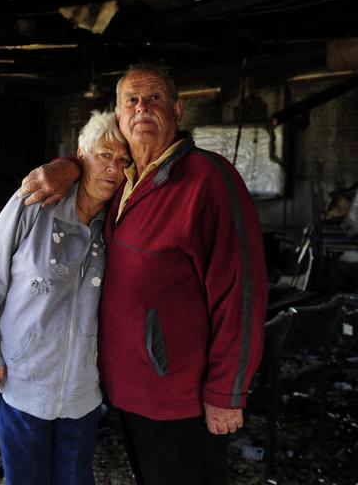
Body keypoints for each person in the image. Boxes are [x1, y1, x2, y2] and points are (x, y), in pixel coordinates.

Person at [19, 64, 268, 485]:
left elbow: (241, 293)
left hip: (179, 395)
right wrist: (67, 165)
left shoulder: (209, 178)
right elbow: (93, 159)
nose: (142, 108)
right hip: (125, 388)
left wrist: (227, 391)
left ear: (177, 110)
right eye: (131, 100)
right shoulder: (123, 180)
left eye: (154, 98)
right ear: (118, 117)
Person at [0, 111, 130, 485]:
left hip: (82, 390)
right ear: (81, 154)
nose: (114, 170)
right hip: (22, 379)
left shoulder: (118, 223)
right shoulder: (37, 202)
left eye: (123, 161)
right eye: (104, 155)